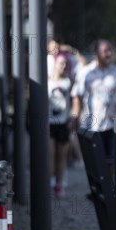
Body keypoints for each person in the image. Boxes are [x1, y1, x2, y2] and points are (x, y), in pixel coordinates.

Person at [71, 39, 116, 159]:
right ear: (96, 53)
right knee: (94, 162)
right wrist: (75, 118)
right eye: (105, 51)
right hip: (91, 125)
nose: (108, 54)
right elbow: (77, 96)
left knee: (112, 160)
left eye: (109, 51)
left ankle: (111, 179)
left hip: (114, 125)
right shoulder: (85, 73)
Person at [48, 53, 73, 198]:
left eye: (65, 64)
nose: (63, 67)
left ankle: (59, 184)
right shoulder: (47, 82)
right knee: (49, 154)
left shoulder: (68, 82)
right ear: (55, 64)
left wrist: (72, 119)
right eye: (61, 63)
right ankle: (50, 180)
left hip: (63, 123)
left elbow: (73, 102)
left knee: (61, 156)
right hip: (49, 123)